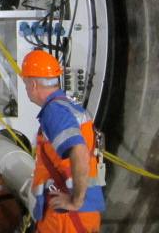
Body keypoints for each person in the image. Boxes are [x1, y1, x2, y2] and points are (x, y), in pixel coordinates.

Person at [21, 49, 105, 232]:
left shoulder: (54, 112)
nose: (26, 89)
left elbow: (79, 151)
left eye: (25, 84)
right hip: (80, 215)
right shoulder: (70, 107)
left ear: (33, 84)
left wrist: (75, 201)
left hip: (66, 218)